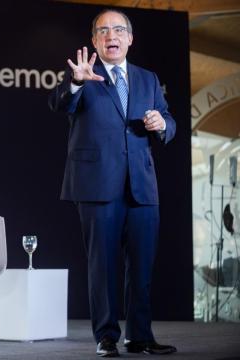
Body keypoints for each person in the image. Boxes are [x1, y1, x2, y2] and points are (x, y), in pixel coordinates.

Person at [49, 9, 177, 357]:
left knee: (142, 265)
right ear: (94, 41)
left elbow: (169, 119)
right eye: (103, 31)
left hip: (141, 185)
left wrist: (160, 123)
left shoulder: (147, 78)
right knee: (102, 266)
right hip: (96, 183)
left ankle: (139, 336)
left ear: (130, 38)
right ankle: (106, 337)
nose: (111, 36)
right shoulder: (83, 75)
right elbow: (60, 103)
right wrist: (76, 82)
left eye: (118, 29)